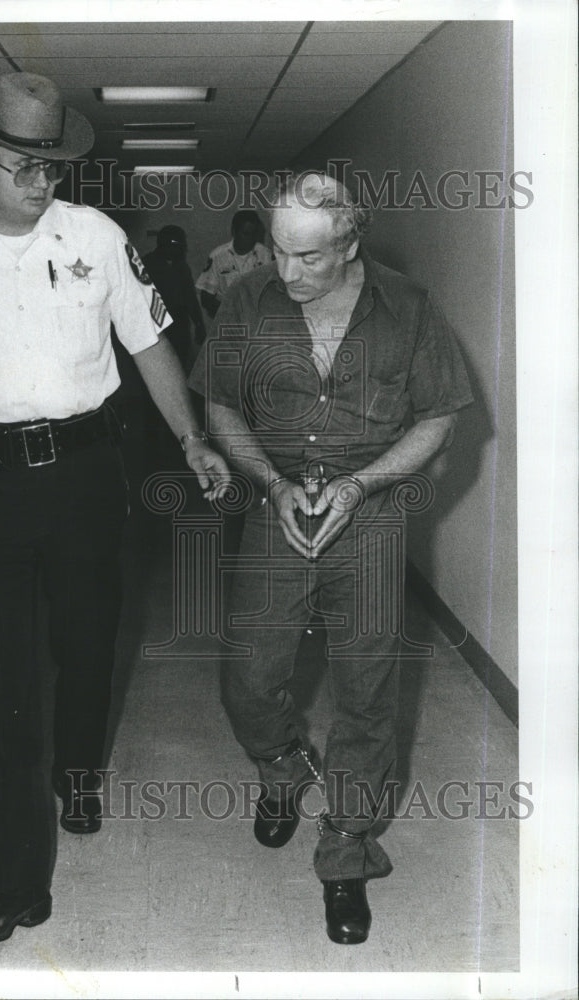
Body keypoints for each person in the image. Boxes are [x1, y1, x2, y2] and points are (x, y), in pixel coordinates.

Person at [0, 72, 229, 948]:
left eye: (51, 169)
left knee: (86, 641)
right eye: (21, 168)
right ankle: (9, 885)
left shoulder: (99, 237)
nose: (40, 185)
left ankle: (79, 772)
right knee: (3, 689)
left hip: (83, 476)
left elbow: (149, 343)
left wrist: (190, 439)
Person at [188, 172, 473, 945]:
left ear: (351, 244)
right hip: (275, 506)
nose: (288, 273)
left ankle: (346, 849)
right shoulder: (249, 300)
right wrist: (273, 485)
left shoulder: (406, 308)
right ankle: (282, 770)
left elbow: (439, 417)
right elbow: (218, 402)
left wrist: (360, 484)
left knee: (367, 689)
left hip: (370, 514)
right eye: (280, 252)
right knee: (248, 676)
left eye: (309, 258)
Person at [142, 224, 205, 372]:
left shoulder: (181, 266)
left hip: (179, 325)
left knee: (180, 367)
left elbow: (190, 297)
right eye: (176, 244)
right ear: (163, 243)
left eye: (181, 245)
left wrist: (199, 323)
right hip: (156, 326)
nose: (180, 249)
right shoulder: (147, 265)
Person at [195, 209, 273, 319]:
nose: (250, 239)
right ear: (234, 231)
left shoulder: (265, 255)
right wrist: (230, 312)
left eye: (253, 234)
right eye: (245, 234)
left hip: (257, 318)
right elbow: (206, 298)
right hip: (228, 319)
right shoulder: (218, 256)